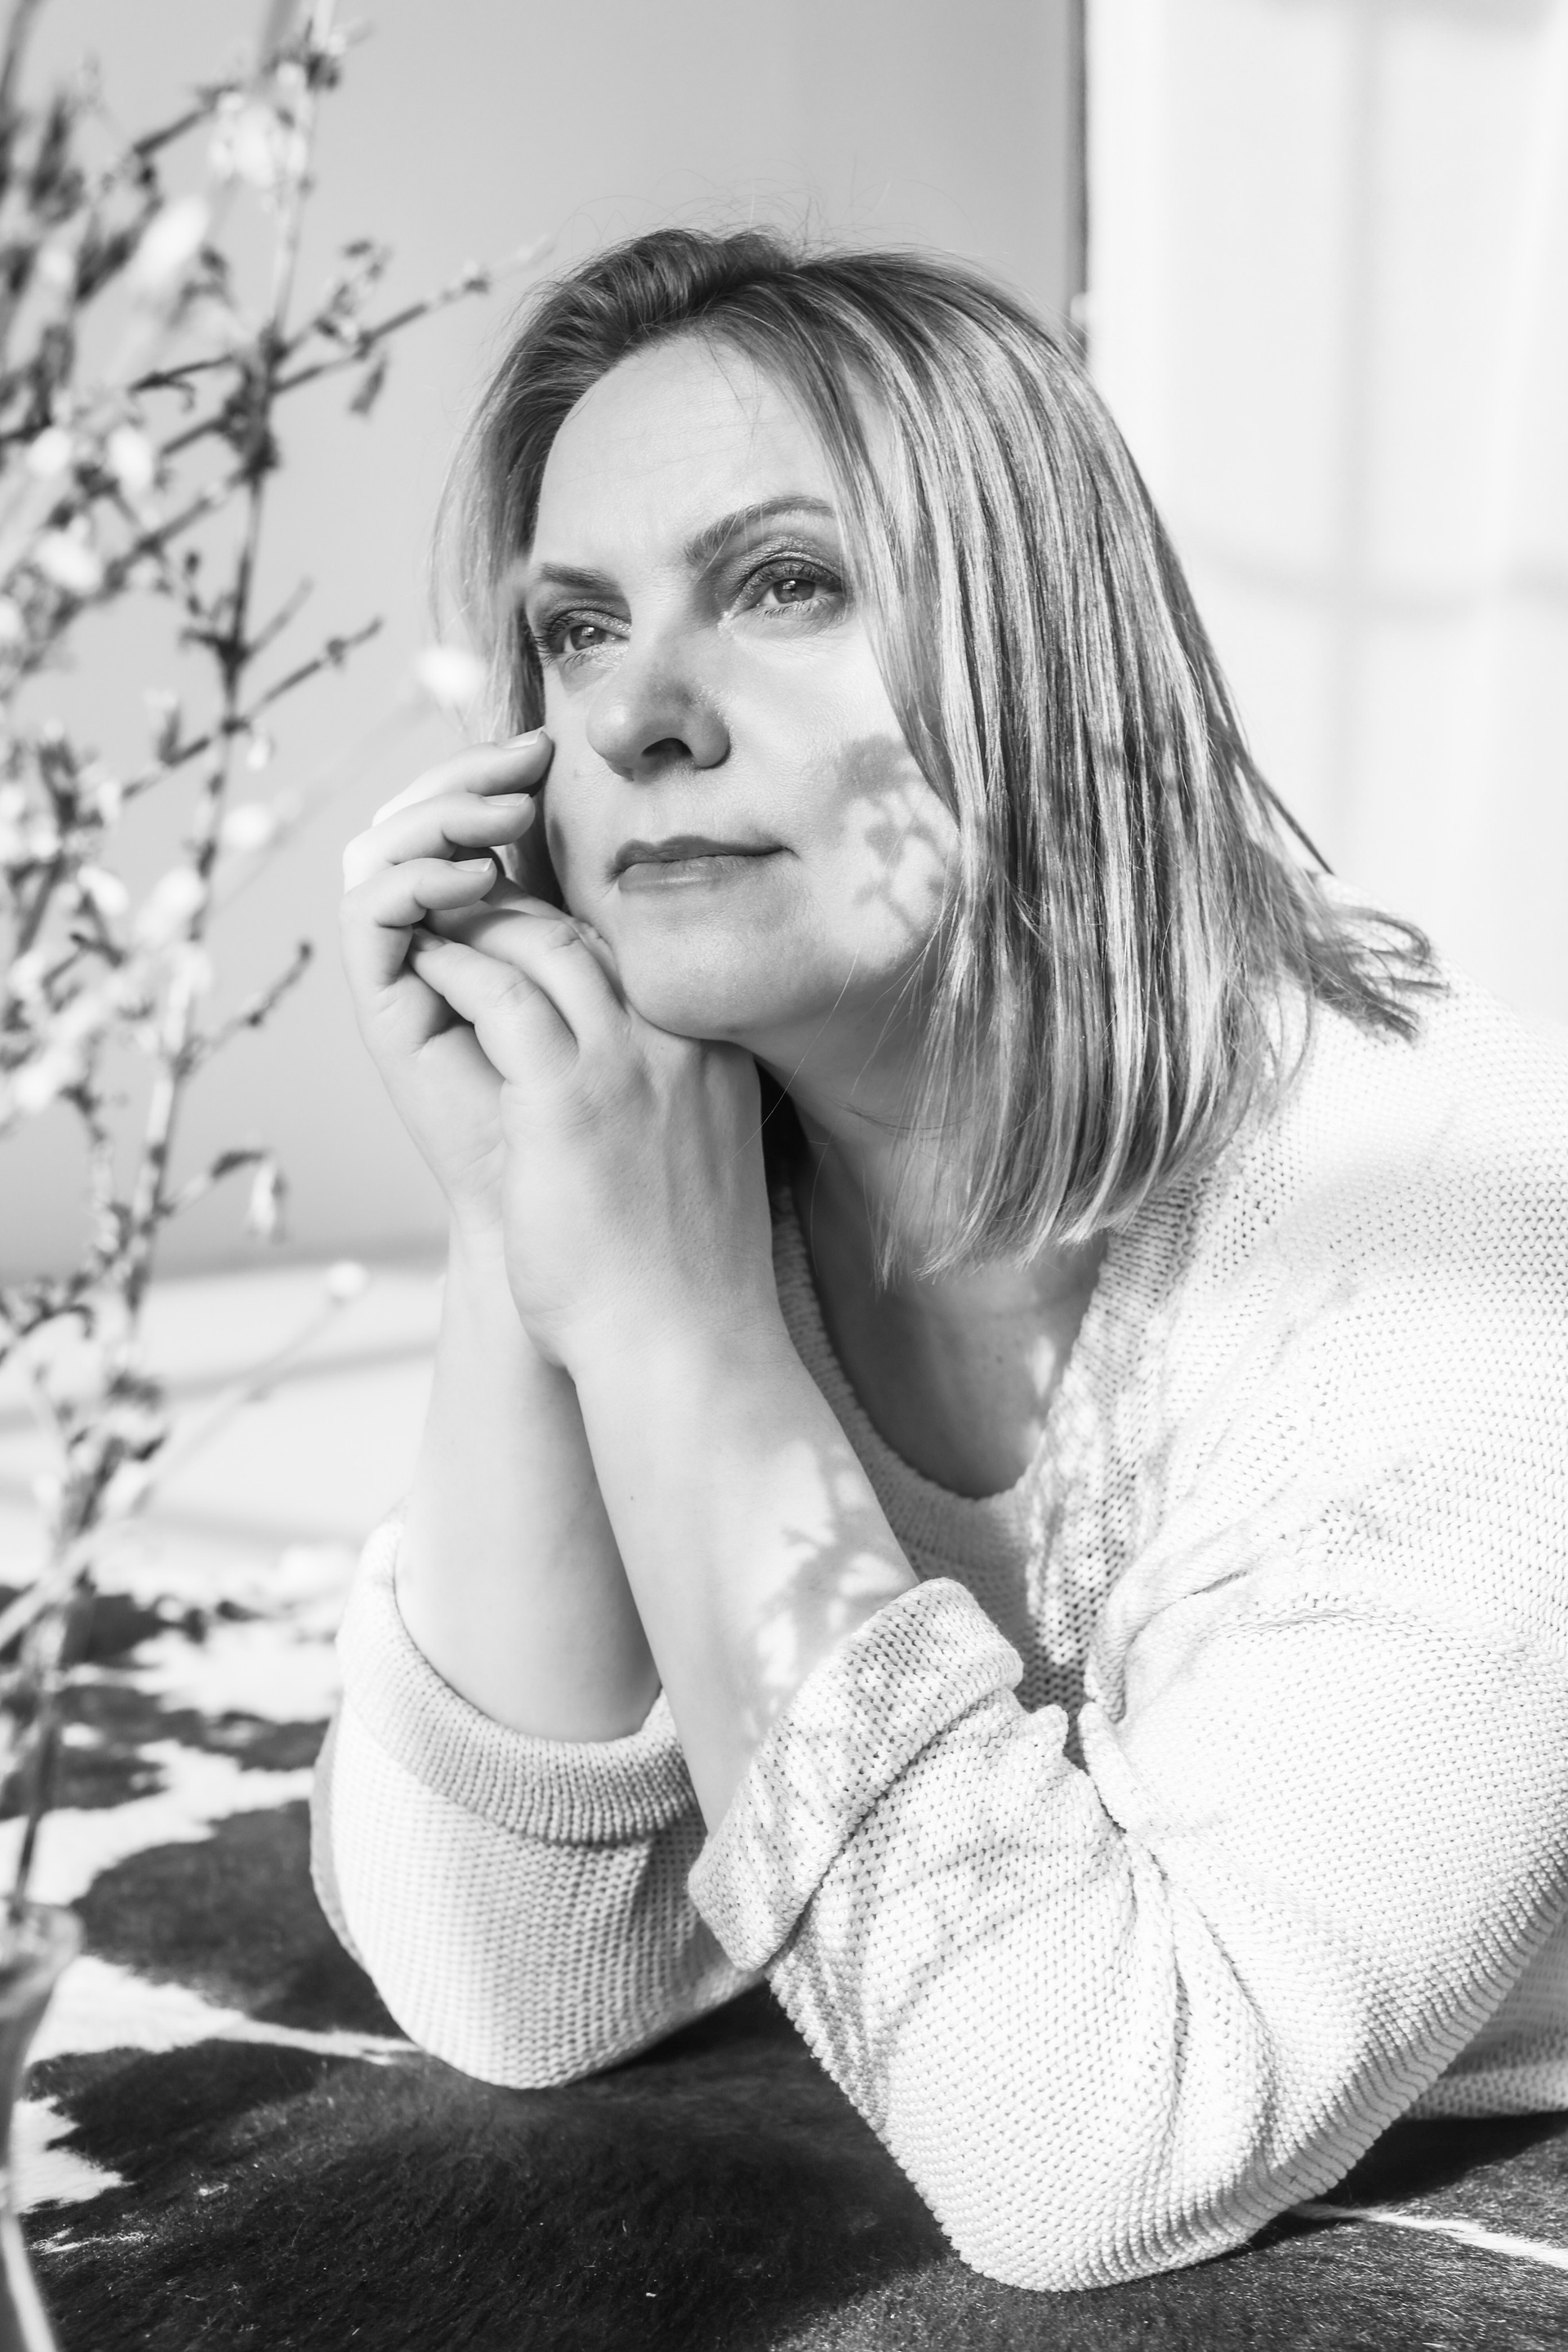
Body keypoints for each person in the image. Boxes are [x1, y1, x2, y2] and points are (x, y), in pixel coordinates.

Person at [317, 227, 1568, 2292]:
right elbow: (517, 1982)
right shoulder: (707, 1175)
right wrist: (518, 1203)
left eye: (786, 584)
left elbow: (1101, 2150)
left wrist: (672, 1336)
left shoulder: (1449, 1219)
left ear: (1047, 659)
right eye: (576, 626)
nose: (635, 712)